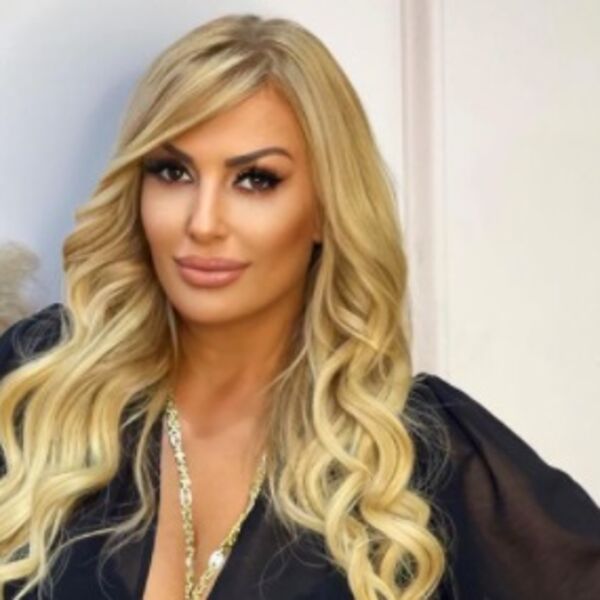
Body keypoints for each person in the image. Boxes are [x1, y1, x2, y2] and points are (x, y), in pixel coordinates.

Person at [0, 13, 599, 600]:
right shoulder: (39, 389)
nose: (202, 222)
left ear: (324, 210)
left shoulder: (417, 455)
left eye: (255, 179)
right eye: (173, 172)